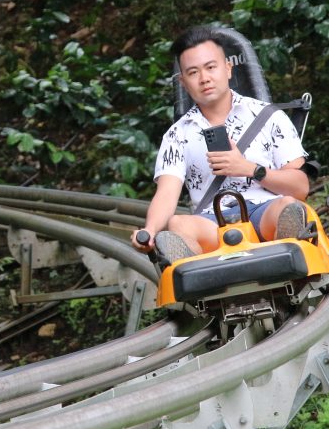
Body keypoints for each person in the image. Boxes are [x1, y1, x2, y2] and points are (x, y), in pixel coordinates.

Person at [131, 26, 310, 265]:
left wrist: (249, 168)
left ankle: (286, 261)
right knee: (176, 224)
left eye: (210, 67)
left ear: (227, 68)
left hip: (265, 210)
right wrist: (150, 232)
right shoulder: (177, 135)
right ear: (183, 82)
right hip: (211, 224)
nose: (204, 78)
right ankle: (195, 272)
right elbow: (166, 193)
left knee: (289, 205)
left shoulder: (269, 116)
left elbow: (300, 187)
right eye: (193, 72)